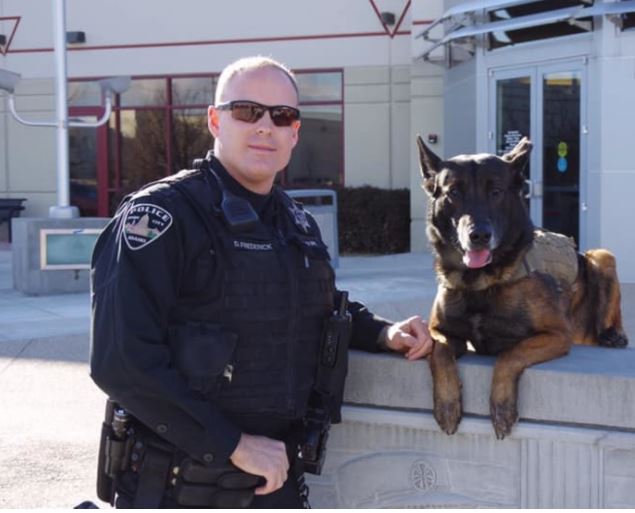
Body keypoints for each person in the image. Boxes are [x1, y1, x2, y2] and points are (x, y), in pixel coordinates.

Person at [89, 56, 433, 509]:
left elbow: (320, 308)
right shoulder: (162, 216)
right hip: (179, 486)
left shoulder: (295, 222)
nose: (265, 126)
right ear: (215, 120)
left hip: (273, 484)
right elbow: (122, 362)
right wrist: (234, 444)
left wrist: (383, 333)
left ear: (295, 133)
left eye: (282, 115)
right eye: (248, 111)